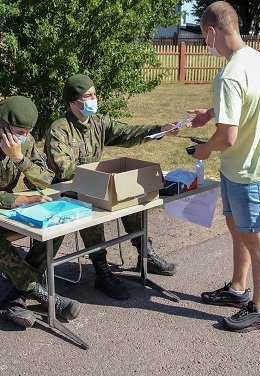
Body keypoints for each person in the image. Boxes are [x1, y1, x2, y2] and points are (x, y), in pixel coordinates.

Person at [0, 95, 82, 328]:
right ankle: (41, 293)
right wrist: (19, 199)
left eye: (28, 131)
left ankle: (14, 297)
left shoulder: (24, 143)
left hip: (3, 212)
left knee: (55, 224)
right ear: (2, 125)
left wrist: (19, 159)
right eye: (20, 131)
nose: (24, 136)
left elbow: (45, 180)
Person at [44, 74, 179, 300]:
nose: (93, 99)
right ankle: (100, 268)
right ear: (73, 101)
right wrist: (99, 175)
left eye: (94, 94)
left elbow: (127, 132)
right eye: (88, 96)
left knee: (132, 192)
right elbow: (63, 169)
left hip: (100, 183)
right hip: (69, 191)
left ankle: (144, 252)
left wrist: (161, 130)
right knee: (89, 201)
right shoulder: (60, 129)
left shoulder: (99, 123)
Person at [186, 1, 260, 332]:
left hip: (247, 171)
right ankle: (238, 291)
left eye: (203, 37)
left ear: (211, 31)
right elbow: (244, 101)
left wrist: (204, 151)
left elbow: (227, 137)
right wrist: (210, 114)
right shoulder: (256, 59)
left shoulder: (228, 74)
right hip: (246, 166)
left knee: (255, 239)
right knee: (236, 229)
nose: (205, 43)